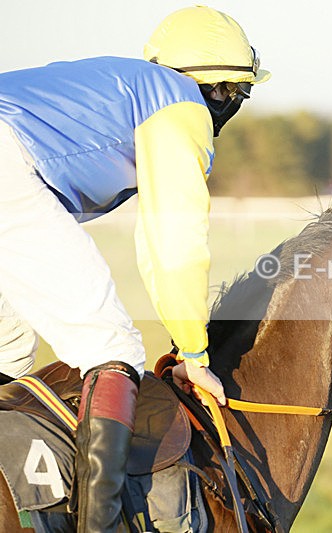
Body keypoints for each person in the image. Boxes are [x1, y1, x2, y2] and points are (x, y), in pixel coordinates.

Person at [0, 6, 269, 531]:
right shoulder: (180, 103)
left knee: (8, 347)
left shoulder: (122, 86)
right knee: (112, 347)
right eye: (237, 92)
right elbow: (174, 241)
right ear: (220, 91)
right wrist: (193, 353)